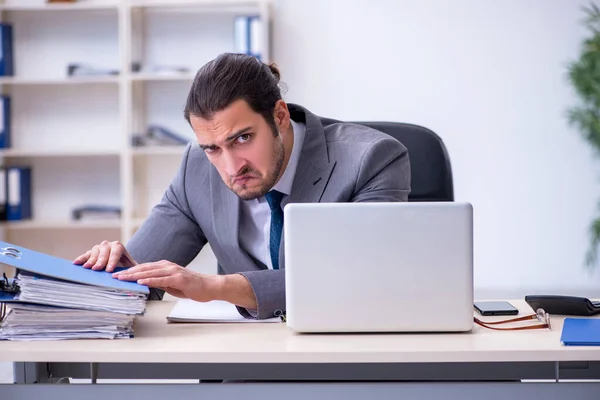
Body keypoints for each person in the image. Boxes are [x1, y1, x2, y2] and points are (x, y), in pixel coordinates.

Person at [73, 53, 411, 320]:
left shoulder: (371, 159)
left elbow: (359, 278)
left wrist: (214, 286)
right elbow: (140, 282)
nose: (232, 167)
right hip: (246, 361)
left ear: (279, 116)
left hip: (347, 355)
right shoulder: (197, 167)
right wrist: (112, 268)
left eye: (243, 138)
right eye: (213, 148)